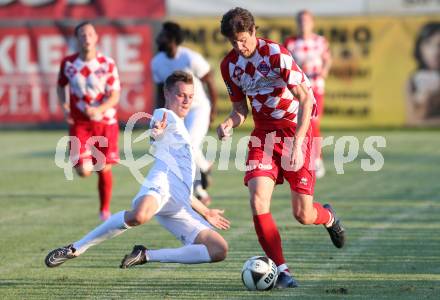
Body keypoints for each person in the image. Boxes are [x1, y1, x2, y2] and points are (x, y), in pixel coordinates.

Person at [45, 71, 229, 269]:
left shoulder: (184, 130)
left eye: (190, 96)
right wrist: (156, 132)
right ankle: (76, 248)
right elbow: (156, 130)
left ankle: (146, 255)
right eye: (181, 94)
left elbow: (183, 186)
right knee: (139, 216)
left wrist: (205, 211)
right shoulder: (165, 115)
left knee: (218, 249)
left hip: (180, 202)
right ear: (167, 93)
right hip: (162, 185)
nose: (186, 101)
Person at [217, 7, 345, 288]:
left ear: (253, 31)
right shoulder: (229, 65)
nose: (240, 47)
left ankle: (328, 217)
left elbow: (306, 100)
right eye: (233, 42)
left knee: (303, 214)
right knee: (257, 200)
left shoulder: (276, 54)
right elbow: (240, 109)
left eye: (243, 40)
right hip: (263, 135)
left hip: (294, 131)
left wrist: (298, 144)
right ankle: (284, 271)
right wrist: (228, 123)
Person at [57, 21, 121, 221]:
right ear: (77, 39)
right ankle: (82, 155)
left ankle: (104, 210)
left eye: (90, 34)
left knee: (103, 168)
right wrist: (64, 104)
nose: (86, 38)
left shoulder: (107, 64)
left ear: (96, 38)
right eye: (82, 35)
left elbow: (115, 95)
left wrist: (99, 109)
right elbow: (60, 86)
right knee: (84, 172)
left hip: (105, 123)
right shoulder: (68, 64)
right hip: (80, 123)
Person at [151, 21, 218, 206]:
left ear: (172, 39)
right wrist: (160, 113)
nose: (158, 38)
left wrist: (213, 108)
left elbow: (209, 80)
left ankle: (203, 170)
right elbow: (160, 91)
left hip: (197, 108)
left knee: (188, 145)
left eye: (162, 35)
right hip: (175, 111)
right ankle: (201, 190)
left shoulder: (189, 58)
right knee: (180, 149)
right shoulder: (156, 62)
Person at [284, 10, 332, 178]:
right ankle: (304, 156)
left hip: (316, 87)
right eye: (300, 21)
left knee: (313, 122)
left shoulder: (319, 41)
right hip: (298, 89)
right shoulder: (290, 42)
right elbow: (285, 63)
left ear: (312, 23)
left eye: (306, 21)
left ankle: (317, 159)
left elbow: (327, 59)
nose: (303, 24)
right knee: (301, 122)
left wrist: (324, 71)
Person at [406, 22, 440, 126]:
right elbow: (412, 122)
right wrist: (426, 103)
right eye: (428, 44)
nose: (435, 52)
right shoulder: (414, 80)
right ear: (420, 48)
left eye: (439, 45)